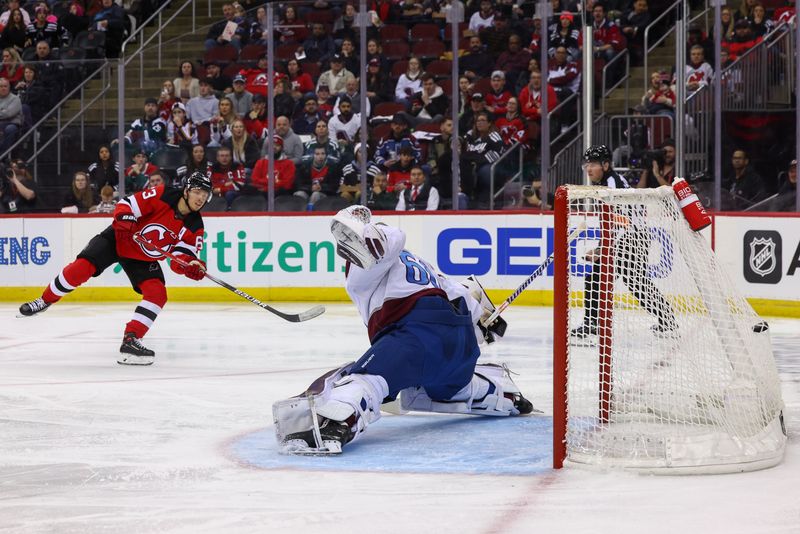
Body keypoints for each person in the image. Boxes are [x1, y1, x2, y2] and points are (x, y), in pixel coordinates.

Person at [273, 206, 531, 454]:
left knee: (368, 379)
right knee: (445, 387)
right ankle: (503, 395)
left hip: (419, 336)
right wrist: (486, 321)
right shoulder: (418, 263)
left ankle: (335, 425)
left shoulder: (369, 261)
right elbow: (462, 294)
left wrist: (366, 229)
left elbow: (390, 239)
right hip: (460, 345)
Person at [18, 172, 212, 366]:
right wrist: (125, 219)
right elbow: (126, 205)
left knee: (158, 294)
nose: (201, 198)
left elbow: (179, 258)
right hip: (119, 238)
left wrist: (190, 266)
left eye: (205, 194)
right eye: (198, 192)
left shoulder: (195, 226)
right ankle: (44, 300)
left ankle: (131, 340)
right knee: (80, 269)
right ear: (186, 190)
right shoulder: (163, 194)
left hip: (142, 258)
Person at [571, 145, 677, 339]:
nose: (589, 169)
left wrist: (603, 249)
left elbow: (620, 220)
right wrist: (602, 247)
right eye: (586, 165)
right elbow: (613, 222)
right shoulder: (607, 182)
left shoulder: (611, 184)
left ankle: (592, 323)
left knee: (598, 278)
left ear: (605, 165)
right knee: (636, 283)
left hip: (632, 237)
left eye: (593, 164)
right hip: (633, 236)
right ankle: (667, 319)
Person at [0, 77, 23, 157]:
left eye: (5, 86)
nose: (3, 88)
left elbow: (8, 114)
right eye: (1, 86)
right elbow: (4, 113)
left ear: (9, 88)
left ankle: (3, 155)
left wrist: (3, 112)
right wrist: (3, 111)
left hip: (11, 123)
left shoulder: (15, 99)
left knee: (10, 129)